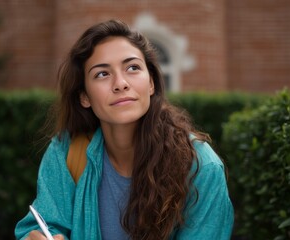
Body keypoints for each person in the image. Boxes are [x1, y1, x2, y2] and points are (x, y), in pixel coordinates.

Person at [15, 19, 234, 240]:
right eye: (102, 74)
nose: (120, 83)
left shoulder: (200, 166)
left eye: (132, 68)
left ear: (151, 84)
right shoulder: (67, 152)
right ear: (84, 96)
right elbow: (43, 225)